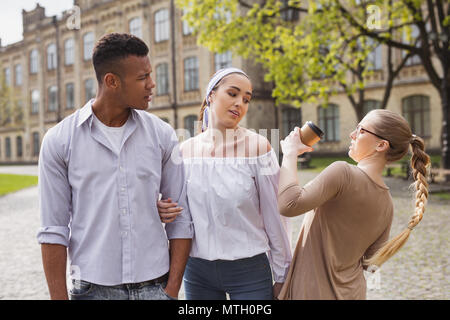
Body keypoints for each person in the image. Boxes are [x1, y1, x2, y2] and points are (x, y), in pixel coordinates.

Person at [37, 33, 193, 300]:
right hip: (91, 291)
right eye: (142, 77)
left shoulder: (163, 135)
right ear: (111, 81)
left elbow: (181, 220)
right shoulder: (60, 141)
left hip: (156, 287)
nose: (152, 84)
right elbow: (53, 230)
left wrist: (171, 291)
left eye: (150, 74)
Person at [158, 68, 292, 300]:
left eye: (246, 99)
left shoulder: (259, 149)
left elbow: (277, 218)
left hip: (249, 271)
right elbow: (179, 214)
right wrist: (161, 209)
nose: (240, 103)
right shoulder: (183, 151)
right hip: (197, 271)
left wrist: (282, 276)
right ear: (211, 95)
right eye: (232, 94)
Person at [277, 109, 430, 300]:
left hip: (312, 291)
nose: (353, 134)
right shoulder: (387, 204)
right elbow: (369, 264)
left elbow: (289, 204)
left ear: (381, 145)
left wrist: (290, 153)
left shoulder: (343, 173)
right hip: (353, 294)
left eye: (362, 130)